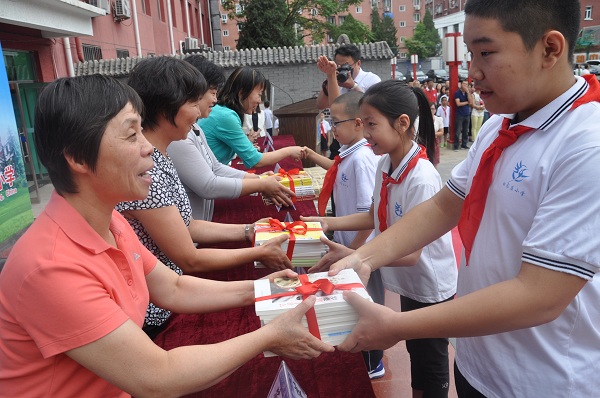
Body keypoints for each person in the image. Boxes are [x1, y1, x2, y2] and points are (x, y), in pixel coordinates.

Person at [0, 75, 333, 397]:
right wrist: (269, 337)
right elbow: (157, 377)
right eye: (132, 136)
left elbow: (172, 287)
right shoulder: (50, 267)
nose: (149, 149)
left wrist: (265, 290)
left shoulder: (111, 220)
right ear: (77, 157)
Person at [331, 1, 600, 397]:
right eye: (470, 55)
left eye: (486, 53)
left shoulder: (585, 146)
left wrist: (396, 326)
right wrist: (362, 259)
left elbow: (540, 294)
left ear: (550, 48)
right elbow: (445, 206)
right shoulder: (498, 127)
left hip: (544, 378)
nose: (472, 72)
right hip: (479, 362)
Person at [118, 57, 293, 336]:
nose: (200, 113)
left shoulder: (160, 156)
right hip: (153, 311)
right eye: (193, 102)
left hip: (169, 294)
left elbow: (187, 225)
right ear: (166, 108)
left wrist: (250, 231)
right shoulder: (144, 169)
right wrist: (257, 252)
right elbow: (189, 257)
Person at [307, 81, 457, 397]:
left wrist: (355, 253)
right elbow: (372, 215)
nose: (366, 132)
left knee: (430, 362)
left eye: (372, 124)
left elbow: (413, 252)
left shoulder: (422, 178)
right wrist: (325, 221)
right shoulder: (385, 163)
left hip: (429, 284)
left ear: (402, 124)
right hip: (409, 281)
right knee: (418, 355)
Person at [299, 91, 384, 379]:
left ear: (358, 123)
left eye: (336, 121)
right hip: (350, 250)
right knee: (354, 306)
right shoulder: (348, 155)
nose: (331, 127)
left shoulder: (362, 159)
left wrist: (356, 253)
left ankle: (374, 361)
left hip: (361, 253)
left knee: (367, 306)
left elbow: (367, 218)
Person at [166, 55, 295, 221]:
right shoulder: (178, 137)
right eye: (211, 93)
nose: (214, 100)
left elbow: (215, 167)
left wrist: (259, 180)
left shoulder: (194, 127)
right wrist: (261, 184)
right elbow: (209, 185)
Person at [200, 67, 303, 168]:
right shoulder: (226, 116)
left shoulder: (223, 111)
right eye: (259, 94)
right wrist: (289, 151)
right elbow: (256, 160)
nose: (259, 101)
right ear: (242, 93)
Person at [315, 44, 381, 110]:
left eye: (346, 66)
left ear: (358, 63)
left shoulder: (372, 79)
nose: (342, 69)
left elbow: (374, 107)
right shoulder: (335, 80)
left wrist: (353, 86)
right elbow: (320, 106)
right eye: (338, 66)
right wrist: (330, 80)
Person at [453, 79, 471, 151]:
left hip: (467, 113)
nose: (465, 86)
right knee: (457, 131)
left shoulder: (467, 93)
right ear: (461, 84)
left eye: (466, 84)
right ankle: (456, 146)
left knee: (466, 130)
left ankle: (464, 144)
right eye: (464, 84)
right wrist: (467, 102)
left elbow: (471, 102)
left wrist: (468, 92)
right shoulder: (457, 93)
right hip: (460, 114)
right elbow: (458, 104)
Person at [431, 102, 444, 167]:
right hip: (426, 141)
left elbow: (441, 132)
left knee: (435, 160)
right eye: (430, 109)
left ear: (435, 110)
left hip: (435, 141)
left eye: (433, 109)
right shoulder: (422, 119)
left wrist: (433, 134)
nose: (431, 110)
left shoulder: (438, 119)